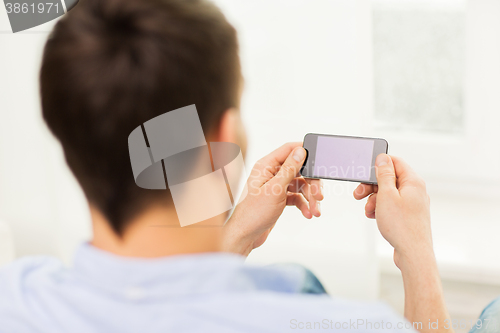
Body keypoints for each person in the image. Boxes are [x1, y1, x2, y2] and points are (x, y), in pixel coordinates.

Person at [0, 0, 455, 332]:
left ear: (64, 135)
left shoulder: (15, 296)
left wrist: (234, 234)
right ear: (225, 136)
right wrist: (417, 256)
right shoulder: (350, 326)